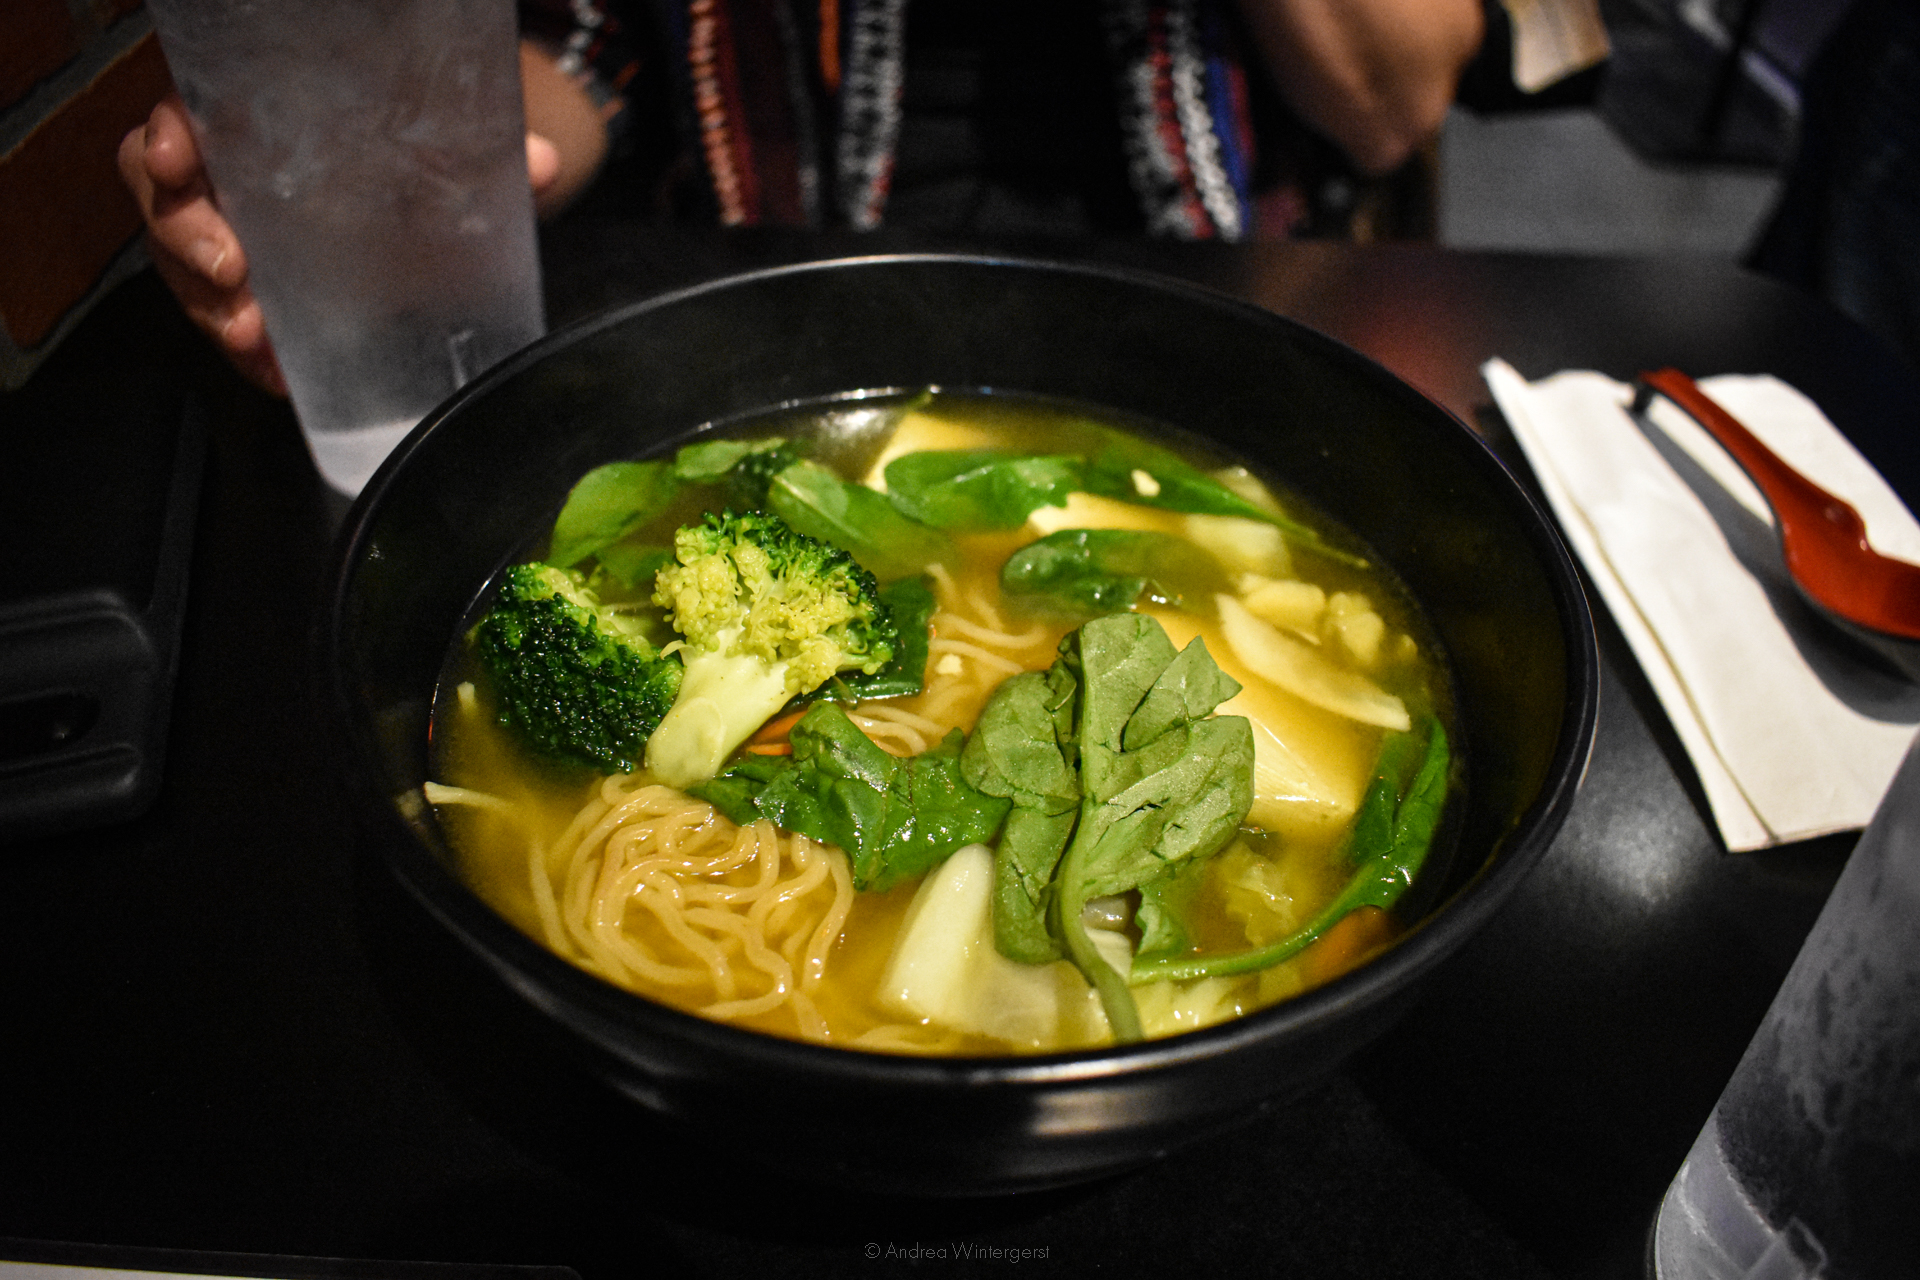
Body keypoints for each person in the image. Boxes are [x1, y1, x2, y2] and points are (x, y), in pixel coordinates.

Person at [120, 0, 1483, 396]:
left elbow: (1394, 97)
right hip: (779, 324)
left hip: (1214, 317)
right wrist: (397, 169)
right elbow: (587, 48)